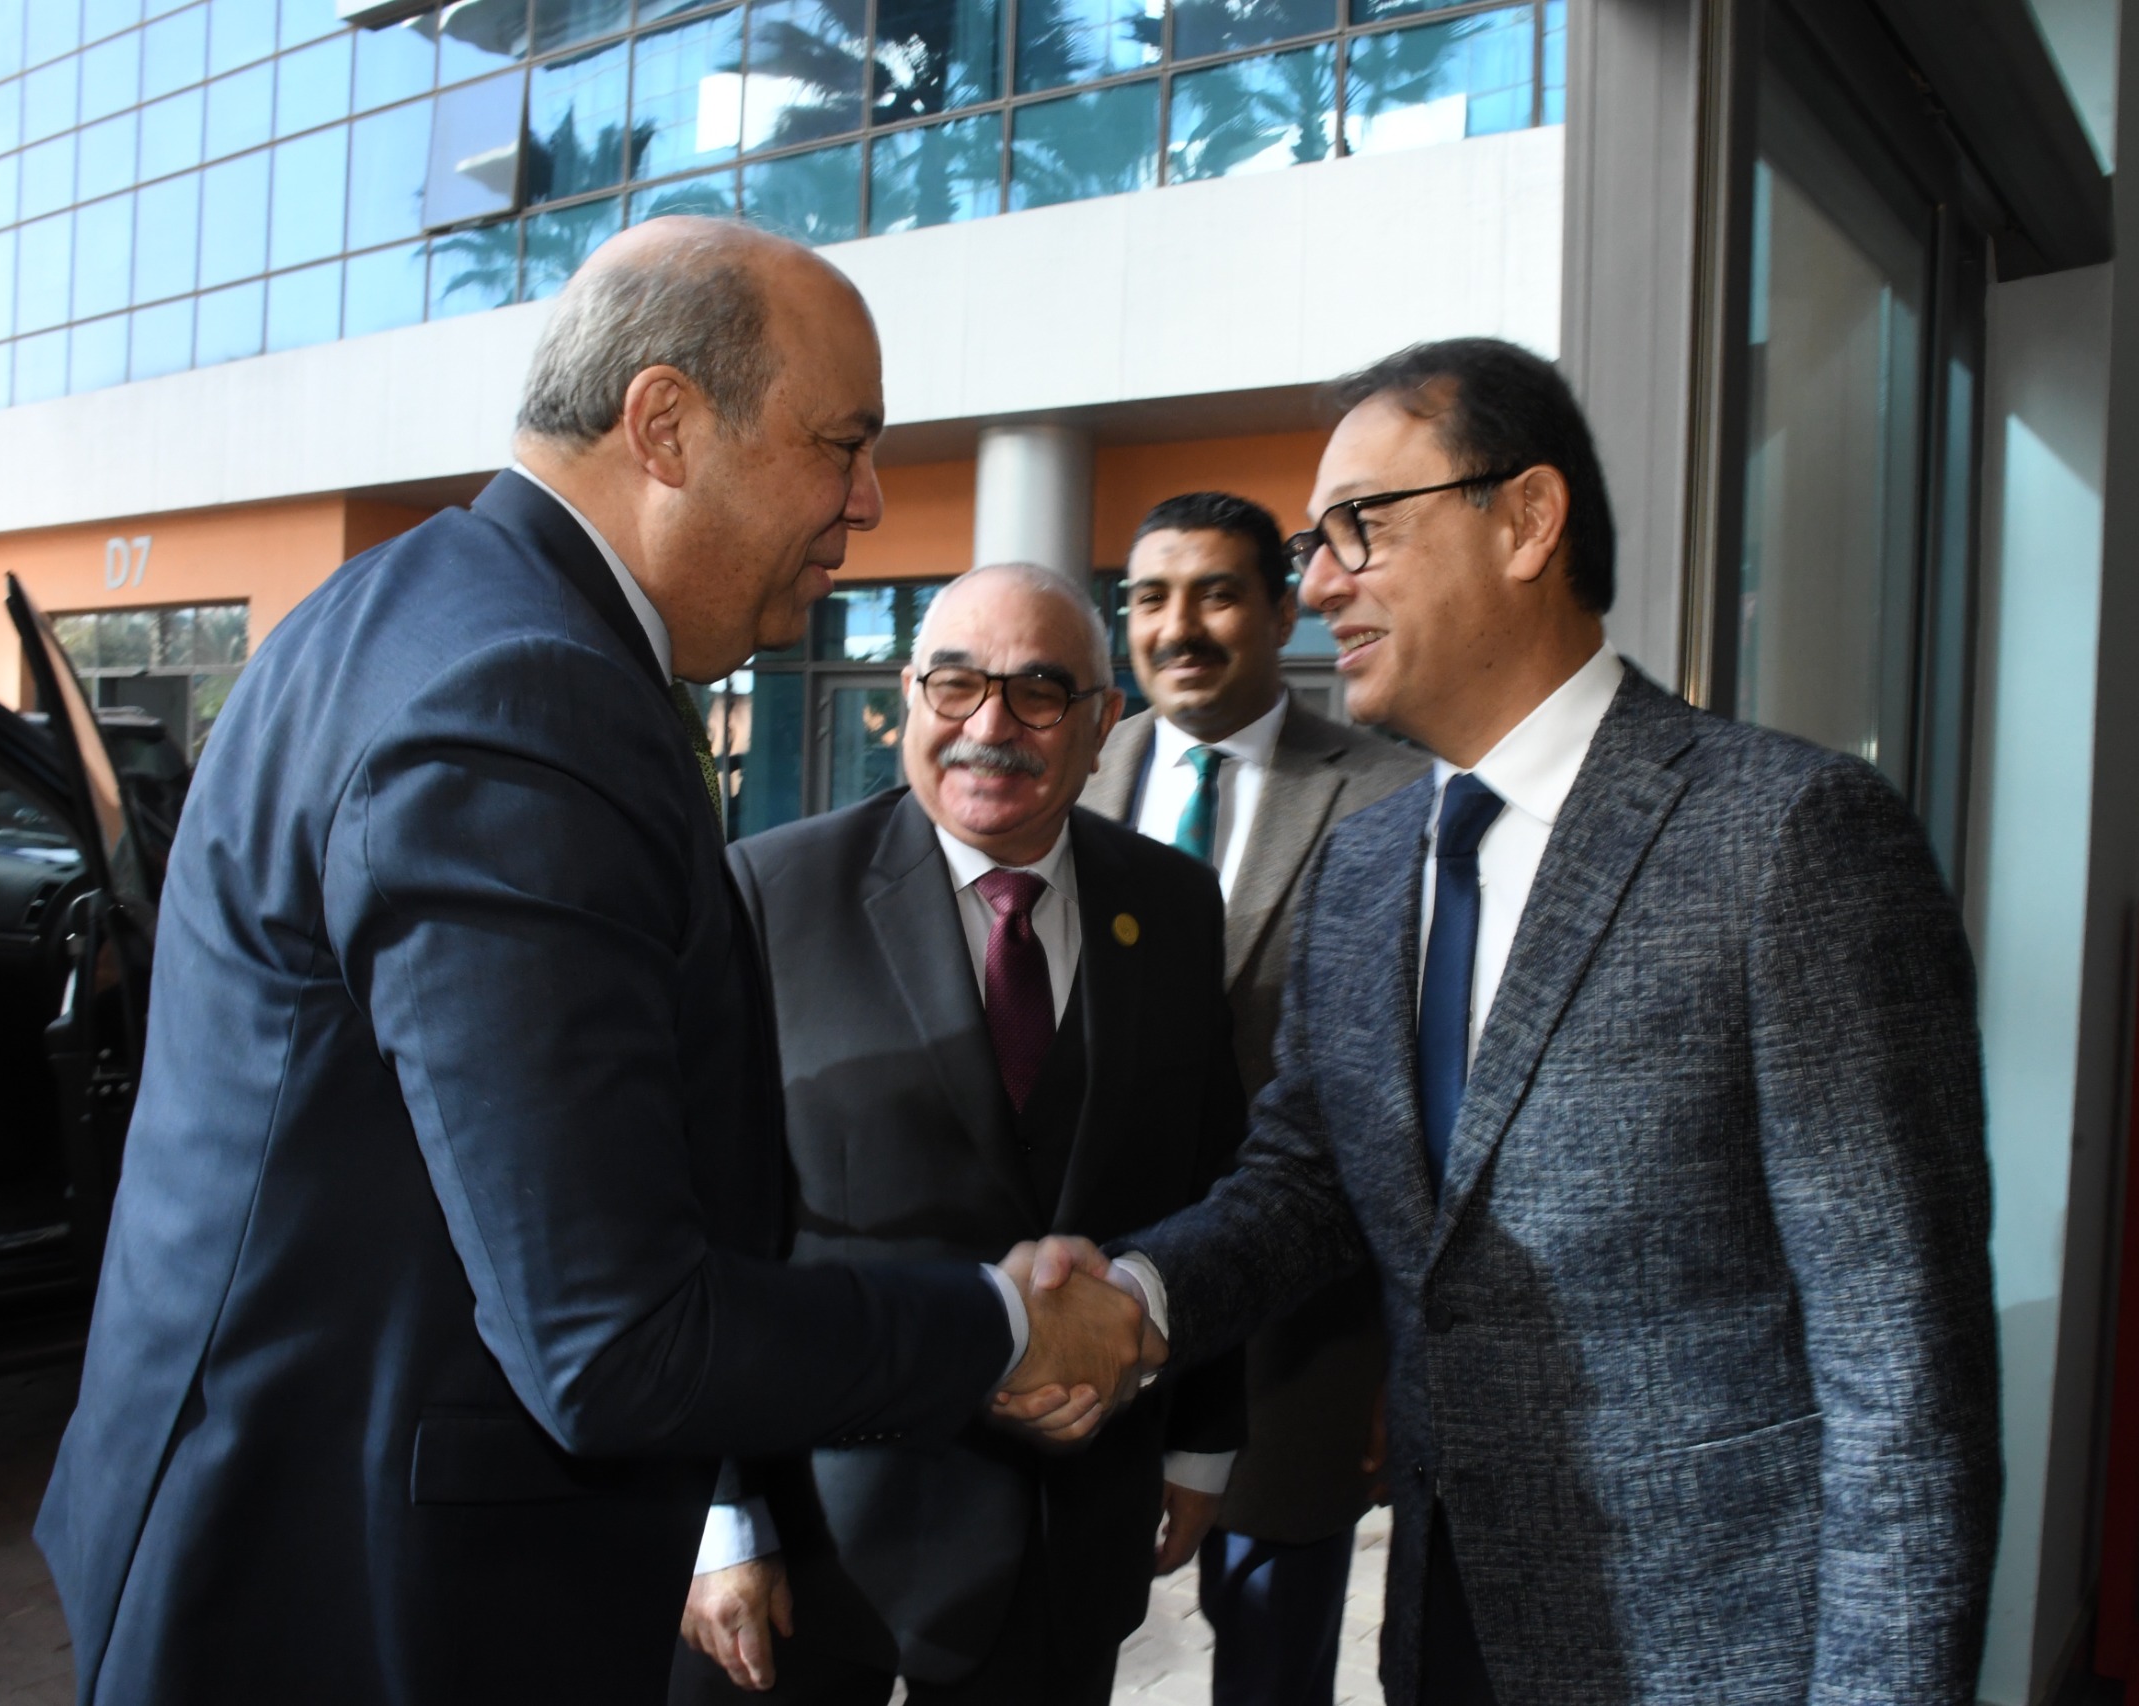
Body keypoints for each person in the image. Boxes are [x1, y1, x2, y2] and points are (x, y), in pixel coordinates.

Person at [33, 220, 1148, 1706]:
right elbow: (612, 1336)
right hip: (351, 1601)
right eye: (842, 444)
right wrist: (1003, 1325)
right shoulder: (522, 697)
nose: (869, 501)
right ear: (666, 425)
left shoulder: (415, 607)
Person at [1022, 337, 2001, 1705]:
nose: (1320, 584)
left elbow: (1904, 1373)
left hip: (1715, 1654)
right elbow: (1307, 1178)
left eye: (1361, 525)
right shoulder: (1370, 865)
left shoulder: (1788, 838)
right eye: (1313, 543)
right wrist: (1136, 1298)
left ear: (1528, 518)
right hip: (1445, 1628)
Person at [673, 562, 1248, 1706]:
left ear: (1103, 722)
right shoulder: (766, 892)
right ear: (908, 696)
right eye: (955, 683)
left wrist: (1200, 1436)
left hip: (1065, 1534)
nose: (991, 726)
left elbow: (1209, 1177)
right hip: (812, 1538)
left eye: (1039, 691)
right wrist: (719, 1514)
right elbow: (698, 1218)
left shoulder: (1173, 904)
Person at [1079, 493, 1426, 1706]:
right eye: (1149, 597)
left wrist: (1395, 1352)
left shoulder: (1394, 794)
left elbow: (1407, 1103)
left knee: (1273, 1661)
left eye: (1217, 593)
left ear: (1284, 613)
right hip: (1094, 1303)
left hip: (1299, 1334)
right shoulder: (1071, 768)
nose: (1178, 626)